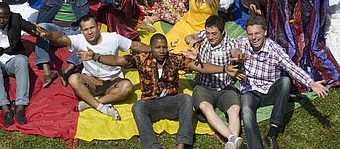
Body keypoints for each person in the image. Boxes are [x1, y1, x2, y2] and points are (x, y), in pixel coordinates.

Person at [87, 33, 237, 149]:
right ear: (151, 48)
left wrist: (224, 69)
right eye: (158, 48)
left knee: (186, 98)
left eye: (164, 47)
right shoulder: (141, 59)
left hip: (172, 102)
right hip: (150, 104)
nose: (162, 51)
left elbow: (200, 67)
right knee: (137, 106)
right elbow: (117, 61)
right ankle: (152, 146)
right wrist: (95, 56)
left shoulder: (175, 59)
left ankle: (182, 143)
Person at [242, 0, 340, 95]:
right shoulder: (277, 0)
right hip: (283, 42)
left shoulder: (305, 0)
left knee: (319, 53)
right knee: (285, 60)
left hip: (306, 41)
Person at [233, 16, 329, 149]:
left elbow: (291, 67)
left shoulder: (274, 49)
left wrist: (311, 83)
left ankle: (272, 131)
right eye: (250, 34)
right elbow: (230, 45)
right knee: (247, 113)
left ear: (265, 32)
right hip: (250, 90)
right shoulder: (243, 43)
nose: (253, 37)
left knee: (285, 81)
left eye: (257, 33)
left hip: (270, 90)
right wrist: (236, 53)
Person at [28, 0, 131, 88]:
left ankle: (68, 70)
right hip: (54, 29)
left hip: (74, 30)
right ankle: (47, 72)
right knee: (41, 28)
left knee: (90, 35)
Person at [34, 14, 149, 120]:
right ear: (81, 31)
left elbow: (135, 45)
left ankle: (91, 103)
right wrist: (47, 34)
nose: (89, 32)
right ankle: (102, 108)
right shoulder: (79, 39)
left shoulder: (113, 38)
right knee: (73, 79)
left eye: (92, 28)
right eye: (85, 29)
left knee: (127, 87)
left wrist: (152, 49)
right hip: (91, 79)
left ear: (98, 27)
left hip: (113, 79)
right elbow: (60, 38)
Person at [183, 15, 244, 149]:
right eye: (208, 33)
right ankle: (232, 138)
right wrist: (192, 40)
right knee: (205, 106)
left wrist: (239, 57)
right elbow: (188, 37)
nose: (210, 37)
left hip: (224, 86)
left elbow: (236, 52)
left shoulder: (231, 43)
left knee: (235, 109)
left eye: (214, 34)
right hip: (204, 86)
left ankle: (231, 144)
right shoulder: (203, 37)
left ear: (222, 32)